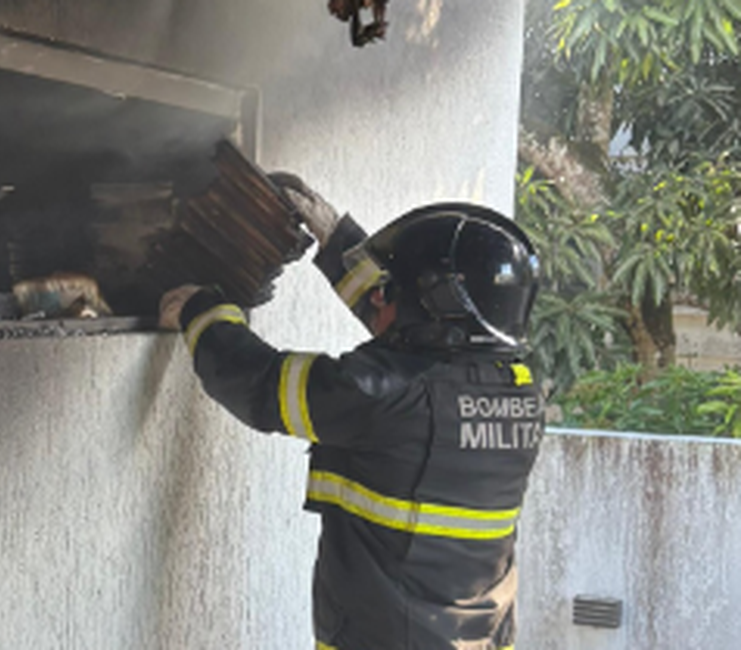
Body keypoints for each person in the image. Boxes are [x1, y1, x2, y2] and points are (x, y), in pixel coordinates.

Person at [159, 175, 544, 650]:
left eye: (390, 290)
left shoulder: (377, 395)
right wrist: (339, 241)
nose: (379, 298)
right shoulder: (520, 392)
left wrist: (201, 310)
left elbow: (258, 382)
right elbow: (419, 335)